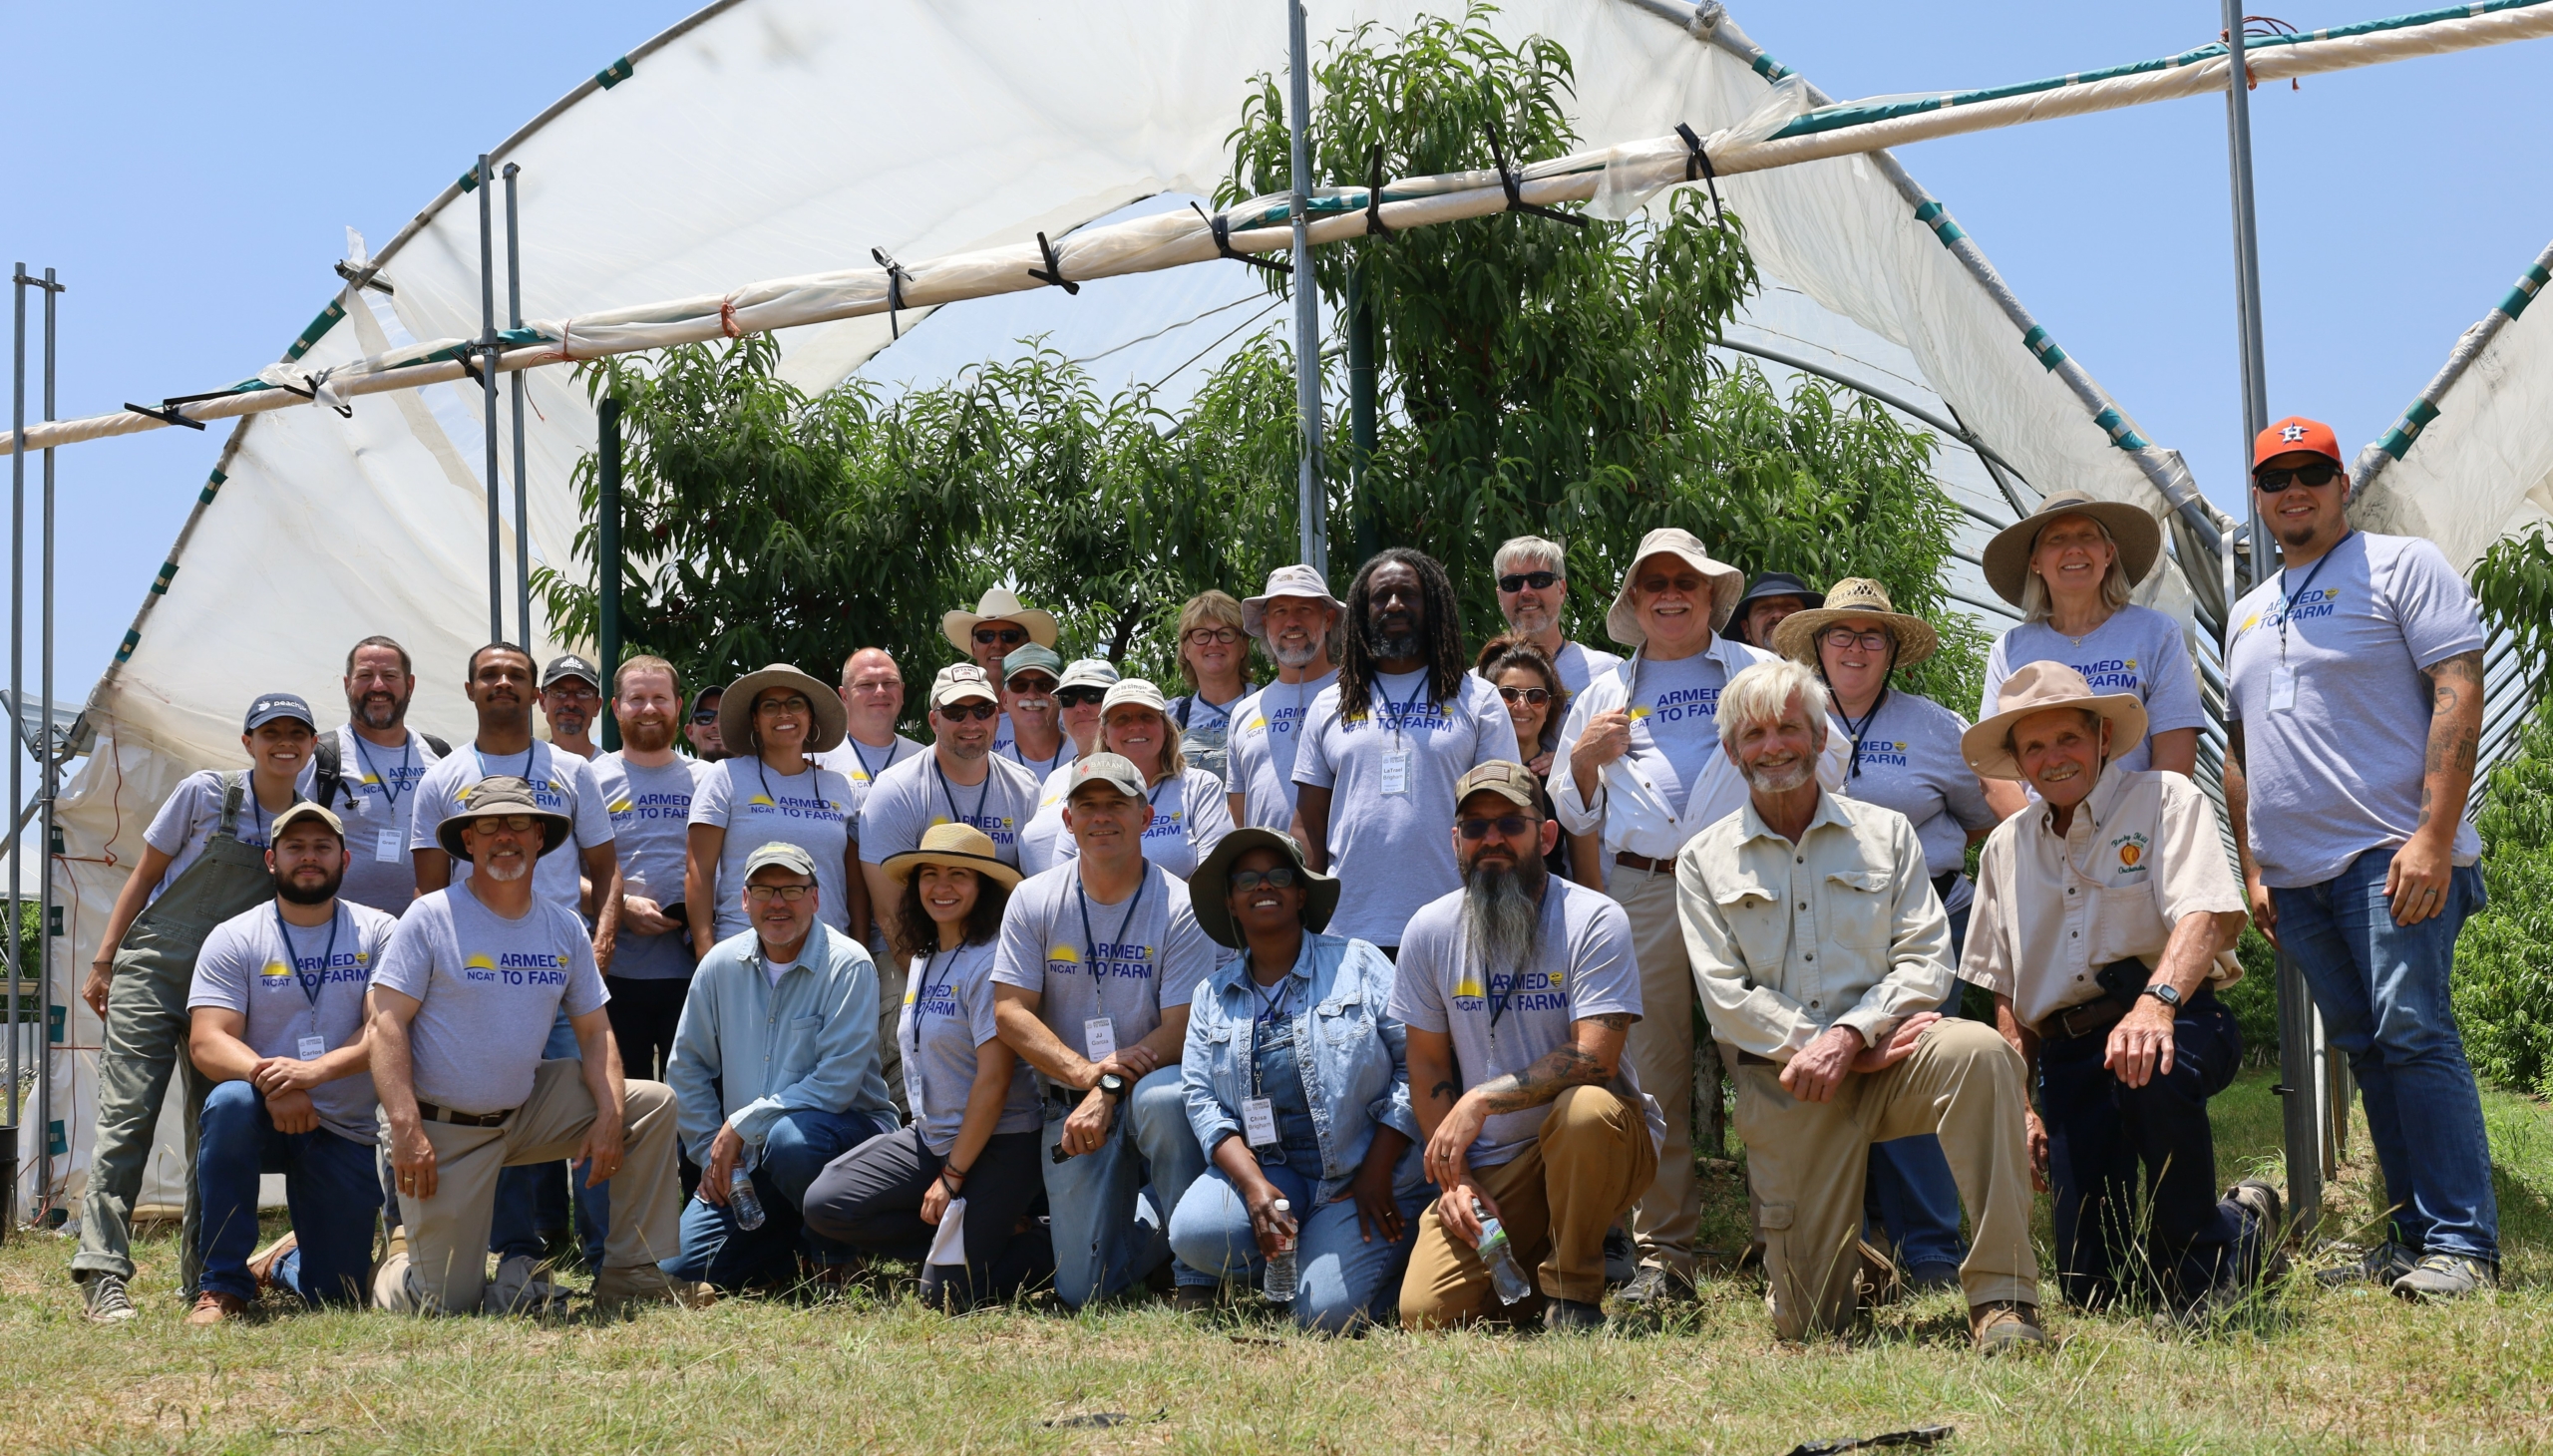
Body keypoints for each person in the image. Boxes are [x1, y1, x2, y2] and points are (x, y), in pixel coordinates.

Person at [1675, 659, 2045, 1351]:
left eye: (1790, 727)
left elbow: (1928, 956)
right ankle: (1860, 1259)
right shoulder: (1703, 860)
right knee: (1812, 1325)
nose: (1774, 746)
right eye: (1753, 734)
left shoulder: (1887, 833)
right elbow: (1726, 998)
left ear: (1820, 740)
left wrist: (1852, 1035)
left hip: (1893, 1058)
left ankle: (2004, 1299)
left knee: (1982, 1054)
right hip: (1788, 1081)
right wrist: (1824, 1047)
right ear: (1731, 753)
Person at [2224, 416, 2497, 1300]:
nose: (2293, 489)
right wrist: (2255, 867)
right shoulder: (2247, 612)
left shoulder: (2403, 565)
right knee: (2370, 1048)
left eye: (2312, 472)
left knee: (2415, 1033)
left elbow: (2459, 686)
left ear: (2344, 485)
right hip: (2297, 878)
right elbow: (2238, 746)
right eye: (2275, 477)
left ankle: (2462, 1243)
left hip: (2390, 854)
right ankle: (2414, 1238)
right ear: (2259, 498)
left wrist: (2431, 837)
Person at [1959, 662, 2276, 1313]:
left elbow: (2206, 916)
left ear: (2103, 738)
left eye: (2068, 739)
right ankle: (2231, 1220)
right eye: (2034, 747)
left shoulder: (2166, 801)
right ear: (2017, 762)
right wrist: (2020, 1105)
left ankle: (2203, 1268)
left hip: (2179, 1019)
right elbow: (2006, 994)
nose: (2054, 759)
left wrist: (2155, 1006)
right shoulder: (2003, 849)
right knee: (2087, 1288)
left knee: (2151, 1075)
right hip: (2072, 1051)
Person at [1547, 528, 1788, 1306]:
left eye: (1685, 579)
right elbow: (1569, 812)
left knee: (1764, 1059)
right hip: (1643, 888)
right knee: (1650, 1074)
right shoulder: (1605, 691)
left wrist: (1765, 756)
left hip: (1747, 879)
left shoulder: (1762, 672)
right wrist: (1584, 758)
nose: (1670, 593)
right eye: (1653, 582)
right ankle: (1665, 1257)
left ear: (1713, 594)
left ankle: (1782, 1239)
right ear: (1635, 602)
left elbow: (1832, 758)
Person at [368, 777, 680, 1315]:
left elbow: (595, 1031)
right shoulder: (431, 916)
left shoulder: (563, 926)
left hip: (527, 1109)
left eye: (517, 824)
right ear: (468, 841)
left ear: (540, 837)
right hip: (443, 1128)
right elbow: (385, 1024)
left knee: (649, 1106)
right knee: (441, 1304)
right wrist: (404, 1127)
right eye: (488, 825)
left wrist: (608, 1114)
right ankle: (394, 1259)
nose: (504, 837)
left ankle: (631, 1273)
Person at [1772, 579, 2000, 1291]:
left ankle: (1931, 1247)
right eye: (1840, 633)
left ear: (1894, 650)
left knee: (1911, 1061)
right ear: (1817, 645)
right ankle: (1854, 1238)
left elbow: (1981, 815)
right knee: (1835, 1066)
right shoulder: (1792, 719)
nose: (1856, 647)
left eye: (1873, 635)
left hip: (1925, 919)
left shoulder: (1937, 727)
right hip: (1823, 924)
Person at [74, 690, 319, 1321]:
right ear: (248, 742)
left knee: (210, 1131)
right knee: (127, 1119)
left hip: (228, 986)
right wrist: (106, 960)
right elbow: (144, 874)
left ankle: (205, 1280)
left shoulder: (305, 823)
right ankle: (102, 1273)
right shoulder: (206, 792)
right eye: (271, 732)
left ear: (312, 745)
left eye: (297, 732)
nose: (283, 742)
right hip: (155, 968)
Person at [1394, 763, 1660, 1332]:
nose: (1492, 839)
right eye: (1474, 826)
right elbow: (1428, 1064)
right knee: (1426, 1314)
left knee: (1584, 1109)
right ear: (1456, 842)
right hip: (1492, 1167)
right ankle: (1535, 1275)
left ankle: (1574, 1294)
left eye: (1510, 823)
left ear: (1545, 835)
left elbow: (1596, 1057)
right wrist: (1456, 1177)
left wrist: (1481, 1100)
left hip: (1596, 1143)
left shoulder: (1594, 918)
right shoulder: (1429, 930)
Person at [408, 643, 622, 1286]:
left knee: (594, 1095)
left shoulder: (571, 772)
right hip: (481, 970)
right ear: (469, 689)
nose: (502, 683)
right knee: (492, 1101)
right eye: (489, 675)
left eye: (516, 676)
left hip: (560, 962)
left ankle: (602, 1249)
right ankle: (515, 1245)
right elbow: (430, 887)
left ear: (534, 695)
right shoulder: (442, 779)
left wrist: (602, 939)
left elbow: (606, 869)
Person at [1168, 829, 1428, 1331]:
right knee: (1195, 1233)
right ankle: (1311, 1247)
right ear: (1231, 904)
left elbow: (1414, 1063)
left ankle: (1385, 1259)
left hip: (1362, 1174)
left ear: (1301, 893)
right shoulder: (1212, 994)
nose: (1264, 886)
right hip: (1273, 1172)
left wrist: (1377, 1170)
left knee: (1320, 1317)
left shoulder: (1359, 963)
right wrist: (1253, 1188)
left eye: (1279, 875)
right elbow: (1200, 1100)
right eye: (1247, 879)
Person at [990, 753, 1218, 1308]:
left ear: (1146, 816)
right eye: (1087, 805)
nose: (1101, 817)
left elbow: (1182, 1027)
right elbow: (1009, 1012)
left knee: (1165, 1102)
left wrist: (1109, 1087)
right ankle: (1154, 1229)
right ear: (1067, 820)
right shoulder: (1033, 897)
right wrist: (1087, 1076)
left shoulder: (1181, 905)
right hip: (1072, 1102)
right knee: (1083, 1292)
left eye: (1117, 803)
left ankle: (1196, 1275)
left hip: (1149, 1090)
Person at [802, 825, 1052, 1309]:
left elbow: (995, 1082)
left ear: (983, 889)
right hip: (931, 1136)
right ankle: (970, 1242)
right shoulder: (923, 956)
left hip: (999, 1144)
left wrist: (952, 1178)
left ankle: (1049, 1242)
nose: (942, 887)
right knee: (827, 1202)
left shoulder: (991, 961)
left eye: (959, 875)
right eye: (930, 874)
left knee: (945, 1298)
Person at [182, 802, 394, 1322]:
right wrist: (272, 1081)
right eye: (295, 847)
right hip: (264, 1111)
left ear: (344, 859)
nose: (309, 857)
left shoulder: (380, 931)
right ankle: (224, 1286)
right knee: (229, 1102)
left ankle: (282, 1261)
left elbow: (384, 1030)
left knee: (338, 1296)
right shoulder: (234, 936)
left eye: (322, 847)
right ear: (271, 861)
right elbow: (207, 1040)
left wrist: (314, 1074)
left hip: (345, 1124)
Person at [660, 842, 894, 1293]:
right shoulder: (718, 966)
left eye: (791, 889)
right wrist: (714, 1153)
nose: (778, 903)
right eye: (764, 891)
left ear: (816, 897)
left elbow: (837, 1085)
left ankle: (836, 1258)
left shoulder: (849, 965)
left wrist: (743, 1124)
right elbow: (686, 1067)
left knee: (791, 1142)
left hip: (838, 1143)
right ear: (744, 900)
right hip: (749, 1162)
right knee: (683, 1268)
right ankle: (792, 1245)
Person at [1293, 548, 1513, 955]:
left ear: (1433, 604)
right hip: (1345, 933)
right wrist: (1301, 922)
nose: (1393, 604)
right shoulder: (1329, 704)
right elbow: (1308, 826)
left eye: (1408, 594)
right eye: (1381, 596)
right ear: (1363, 609)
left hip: (1455, 927)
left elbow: (1504, 816)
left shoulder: (1478, 699)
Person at [1980, 490, 2202, 779]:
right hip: (2040, 822)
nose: (2074, 549)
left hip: (2137, 820)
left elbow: (2176, 756)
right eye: (2056, 538)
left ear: (2108, 553)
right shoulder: (2009, 650)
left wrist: (2128, 822)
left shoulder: (2155, 634)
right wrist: (2037, 824)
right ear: (2035, 562)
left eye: (2087, 536)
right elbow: (1993, 768)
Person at [860, 662, 1043, 951]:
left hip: (999, 955)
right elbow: (891, 915)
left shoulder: (1026, 788)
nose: (971, 723)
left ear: (996, 718)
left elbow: (1035, 895)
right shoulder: (896, 790)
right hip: (914, 955)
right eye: (955, 713)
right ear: (934, 721)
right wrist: (934, 987)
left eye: (982, 711)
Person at [685, 663, 864, 958]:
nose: (784, 714)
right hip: (743, 952)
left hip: (828, 956)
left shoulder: (840, 787)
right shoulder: (724, 776)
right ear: (755, 720)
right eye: (770, 706)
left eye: (795, 704)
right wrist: (706, 953)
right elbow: (698, 872)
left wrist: (859, 950)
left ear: (810, 717)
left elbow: (855, 884)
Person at [591, 656, 702, 1083]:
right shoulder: (588, 779)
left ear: (678, 705)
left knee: (694, 1110)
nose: (649, 709)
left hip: (693, 973)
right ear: (616, 708)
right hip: (614, 973)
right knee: (626, 1109)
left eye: (660, 698)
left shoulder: (708, 778)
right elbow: (560, 874)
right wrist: (621, 907)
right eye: (637, 699)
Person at [311, 635, 449, 915]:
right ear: (347, 684)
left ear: (409, 686)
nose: (378, 686)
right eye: (365, 676)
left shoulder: (439, 755)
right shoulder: (319, 756)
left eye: (389, 676)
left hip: (423, 931)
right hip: (340, 936)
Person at [1052, 679, 1232, 880]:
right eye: (1122, 718)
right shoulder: (1083, 794)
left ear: (1165, 728)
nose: (1136, 726)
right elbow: (1062, 878)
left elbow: (1214, 874)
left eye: (1147, 717)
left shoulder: (1200, 787)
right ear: (1104, 735)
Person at [1225, 564, 1343, 836]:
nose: (1292, 622)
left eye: (1304, 609)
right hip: (1268, 876)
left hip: (1341, 872)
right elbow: (1237, 816)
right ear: (1266, 624)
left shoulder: (1357, 694)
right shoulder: (1244, 711)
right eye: (1280, 611)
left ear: (1327, 620)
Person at [1473, 635, 1601, 886]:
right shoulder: (1470, 775)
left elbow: (1589, 880)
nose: (1522, 705)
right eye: (1508, 694)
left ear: (1548, 706)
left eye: (1536, 696)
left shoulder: (1566, 781)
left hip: (1551, 915)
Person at [1018, 657, 1120, 877]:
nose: (1080, 707)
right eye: (1069, 698)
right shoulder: (1054, 779)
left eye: (1093, 695)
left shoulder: (1130, 772)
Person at [1489, 536, 1622, 694]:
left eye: (1539, 580)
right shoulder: (1476, 685)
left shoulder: (1608, 674)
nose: (1525, 591)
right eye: (1512, 583)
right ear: (1499, 597)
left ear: (1561, 590)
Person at [945, 586, 1059, 756]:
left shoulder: (1054, 712)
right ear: (973, 646)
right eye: (986, 636)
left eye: (1009, 635)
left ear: (1025, 643)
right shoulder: (953, 711)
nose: (997, 644)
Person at [1165, 589, 1253, 786]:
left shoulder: (1267, 703)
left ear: (1242, 647)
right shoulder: (1169, 716)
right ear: (1186, 649)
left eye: (1225, 634)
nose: (1214, 643)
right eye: (1202, 635)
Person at [814, 646, 924, 799]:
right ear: (845, 696)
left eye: (889, 682)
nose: (880, 691)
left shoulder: (924, 759)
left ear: (902, 691)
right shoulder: (816, 758)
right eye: (866, 684)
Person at [996, 642, 1077, 779]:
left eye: (1044, 685)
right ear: (1005, 700)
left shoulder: (1084, 757)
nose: (1032, 695)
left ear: (1060, 696)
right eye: (1020, 685)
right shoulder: (994, 770)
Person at [1726, 570, 1825, 652]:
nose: (1777, 615)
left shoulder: (1833, 672)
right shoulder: (1730, 674)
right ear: (1746, 629)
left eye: (1789, 606)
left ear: (1809, 623)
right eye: (1764, 608)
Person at [541, 653, 605, 761]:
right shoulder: (528, 769)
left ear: (597, 706)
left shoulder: (613, 773)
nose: (571, 703)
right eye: (559, 692)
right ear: (542, 702)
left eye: (583, 693)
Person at [687, 685, 730, 763]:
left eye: (725, 717)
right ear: (690, 732)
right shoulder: (675, 775)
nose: (717, 725)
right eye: (704, 717)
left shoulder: (758, 773)